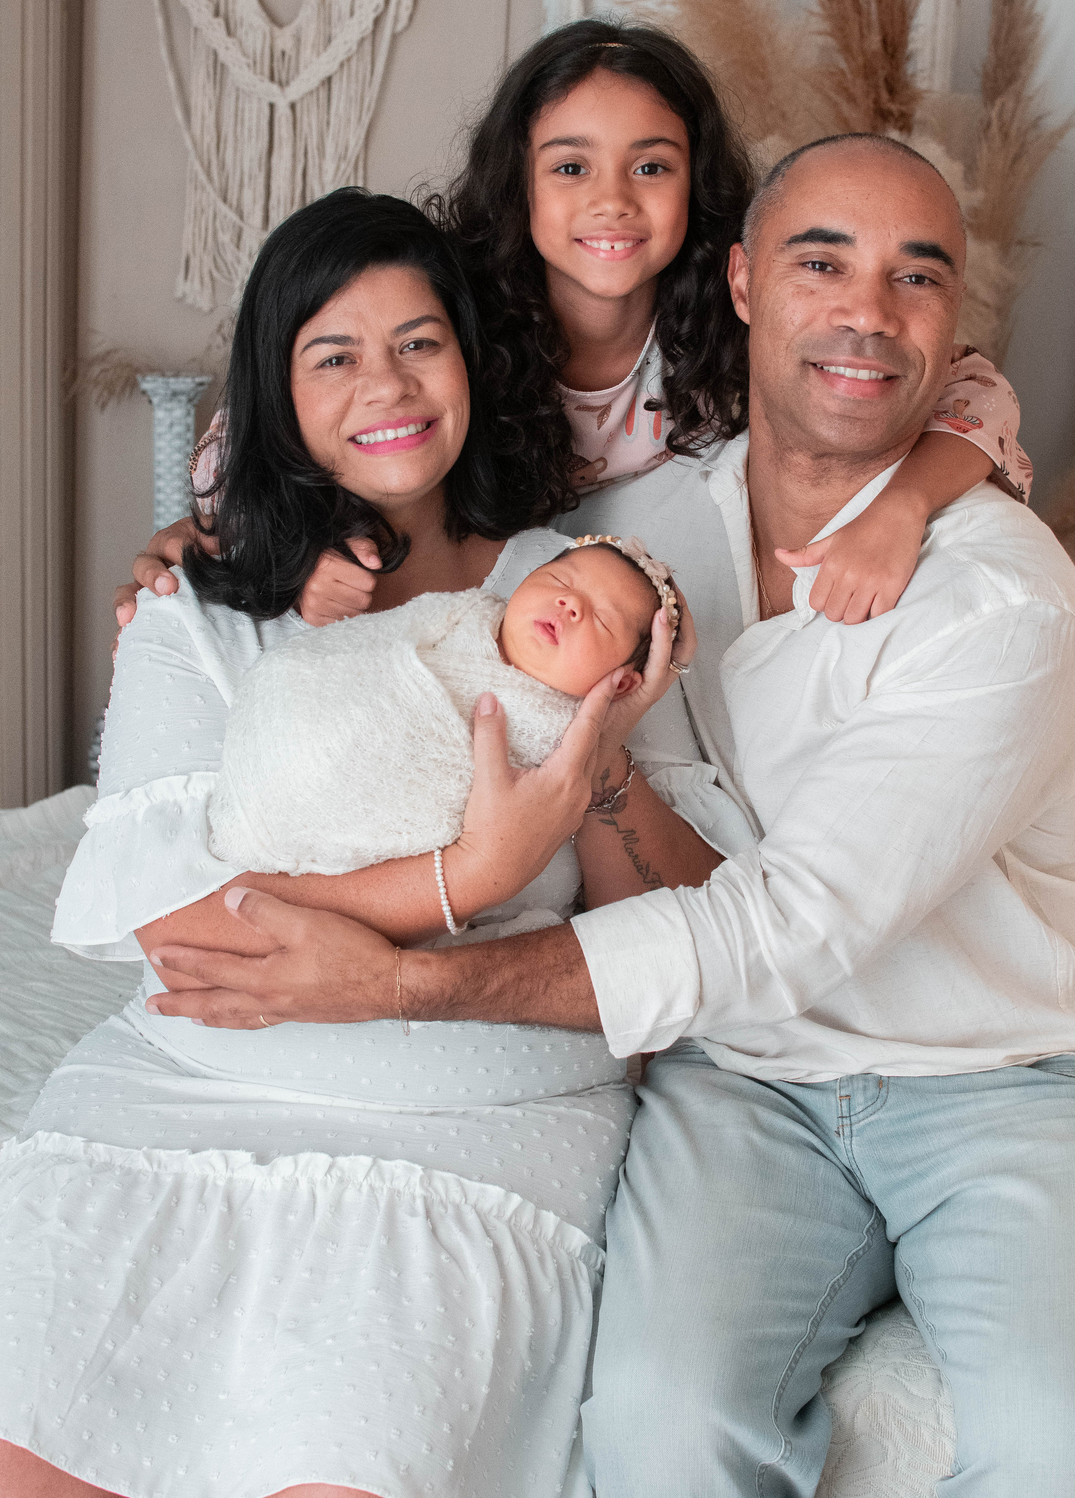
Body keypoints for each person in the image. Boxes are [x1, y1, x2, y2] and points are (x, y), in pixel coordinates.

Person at [149, 137, 1075, 1497]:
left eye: (916, 277)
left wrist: (405, 981)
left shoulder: (1002, 600)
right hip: (745, 1086)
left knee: (1059, 1451)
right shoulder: (632, 536)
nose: (868, 313)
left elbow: (782, 927)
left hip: (1009, 1077)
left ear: (954, 325)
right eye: (823, 263)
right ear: (744, 281)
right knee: (654, 1429)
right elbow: (383, 468)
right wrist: (210, 551)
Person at [0, 190, 716, 1498]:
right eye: (333, 354)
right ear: (275, 395)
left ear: (470, 365)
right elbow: (186, 931)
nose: (386, 384)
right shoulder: (202, 609)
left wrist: (603, 764)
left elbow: (672, 951)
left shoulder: (577, 595)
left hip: (471, 1128)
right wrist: (471, 880)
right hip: (182, 1097)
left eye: (419, 342)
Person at [140, 19, 1029, 635]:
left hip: (627, 614)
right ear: (519, 181)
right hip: (462, 605)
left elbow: (974, 388)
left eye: (651, 167)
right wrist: (234, 543)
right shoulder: (446, 317)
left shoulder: (737, 313)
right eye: (571, 167)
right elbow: (265, 430)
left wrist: (905, 504)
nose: (612, 201)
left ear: (696, 185)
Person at [209, 535, 681, 883]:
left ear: (622, 682)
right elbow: (385, 633)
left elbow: (496, 811)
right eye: (559, 580)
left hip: (375, 790)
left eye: (602, 619)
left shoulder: (568, 738)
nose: (570, 603)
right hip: (311, 712)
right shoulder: (470, 610)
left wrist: (607, 731)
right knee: (297, 683)